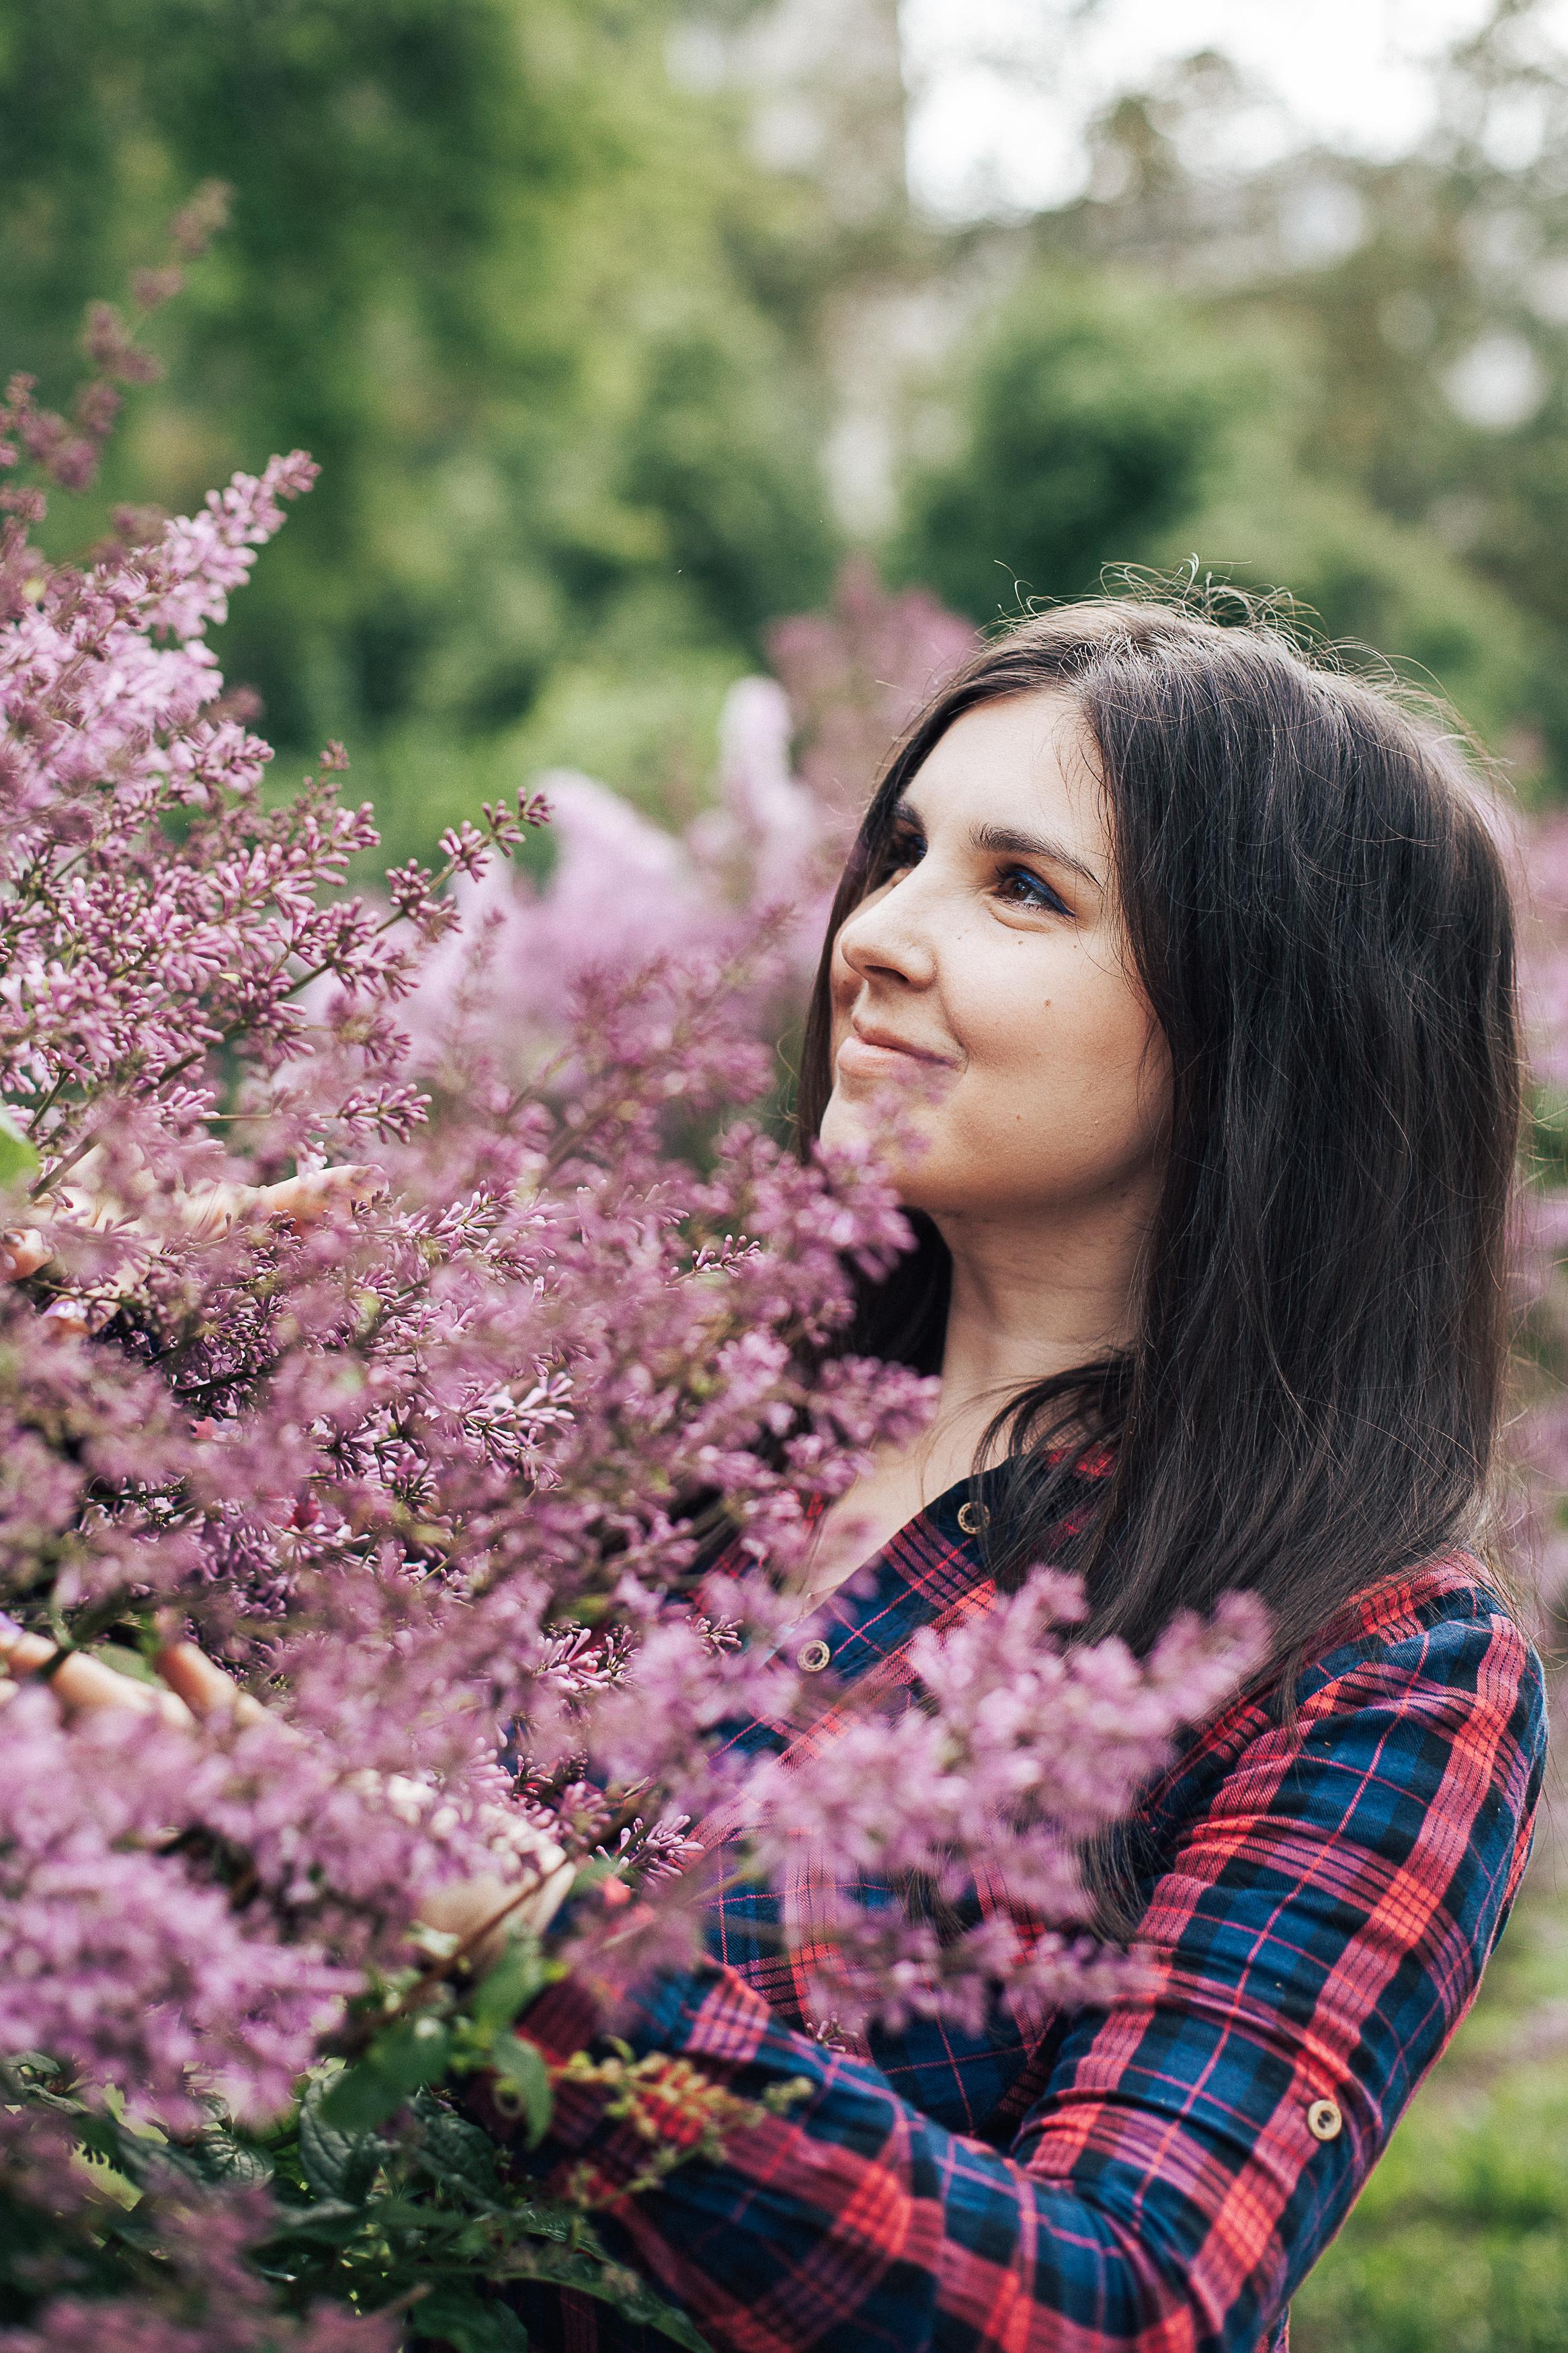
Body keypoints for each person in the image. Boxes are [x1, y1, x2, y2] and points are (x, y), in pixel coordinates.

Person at [12, 600, 1548, 2353]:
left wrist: (537, 1956)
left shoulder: (1376, 1668)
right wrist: (84, 1344)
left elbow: (1124, 2305)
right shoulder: (674, 1407)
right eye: (900, 854)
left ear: (1264, 1027)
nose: (878, 936)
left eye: (1020, 887)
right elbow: (283, 1674)